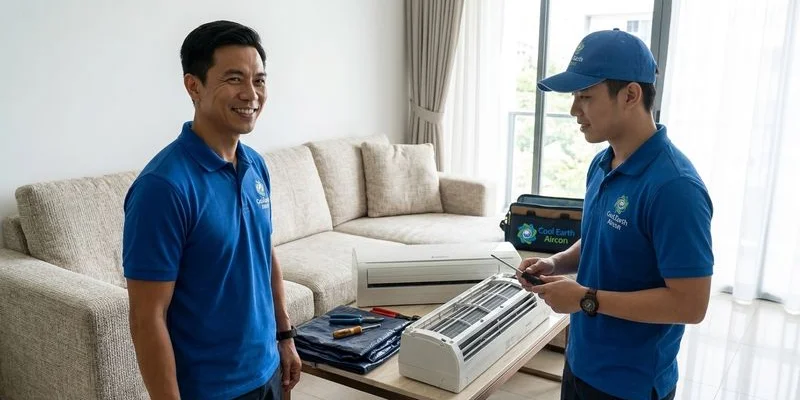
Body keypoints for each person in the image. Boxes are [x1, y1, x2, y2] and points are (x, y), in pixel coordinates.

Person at [516, 29, 713, 400]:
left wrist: (585, 299)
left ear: (631, 95)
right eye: (575, 97)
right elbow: (598, 239)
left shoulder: (675, 187)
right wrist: (556, 263)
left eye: (586, 96)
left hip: (631, 385)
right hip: (581, 362)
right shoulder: (602, 163)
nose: (575, 110)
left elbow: (691, 303)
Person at [122, 20, 301, 400]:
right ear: (194, 86)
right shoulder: (163, 187)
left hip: (267, 371)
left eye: (259, 80)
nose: (251, 94)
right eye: (234, 78)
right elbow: (146, 318)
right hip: (210, 390)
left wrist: (284, 336)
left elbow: (263, 255)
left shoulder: (255, 165)